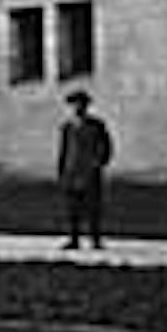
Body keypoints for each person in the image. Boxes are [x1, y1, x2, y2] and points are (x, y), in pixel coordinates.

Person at [55, 88, 113, 250]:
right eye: (74, 105)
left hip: (89, 172)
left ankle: (95, 239)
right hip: (71, 172)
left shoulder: (97, 125)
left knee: (93, 207)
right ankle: (74, 239)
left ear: (86, 106)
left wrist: (98, 162)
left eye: (81, 104)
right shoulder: (67, 127)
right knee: (72, 207)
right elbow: (64, 150)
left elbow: (105, 146)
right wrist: (61, 170)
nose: (77, 108)